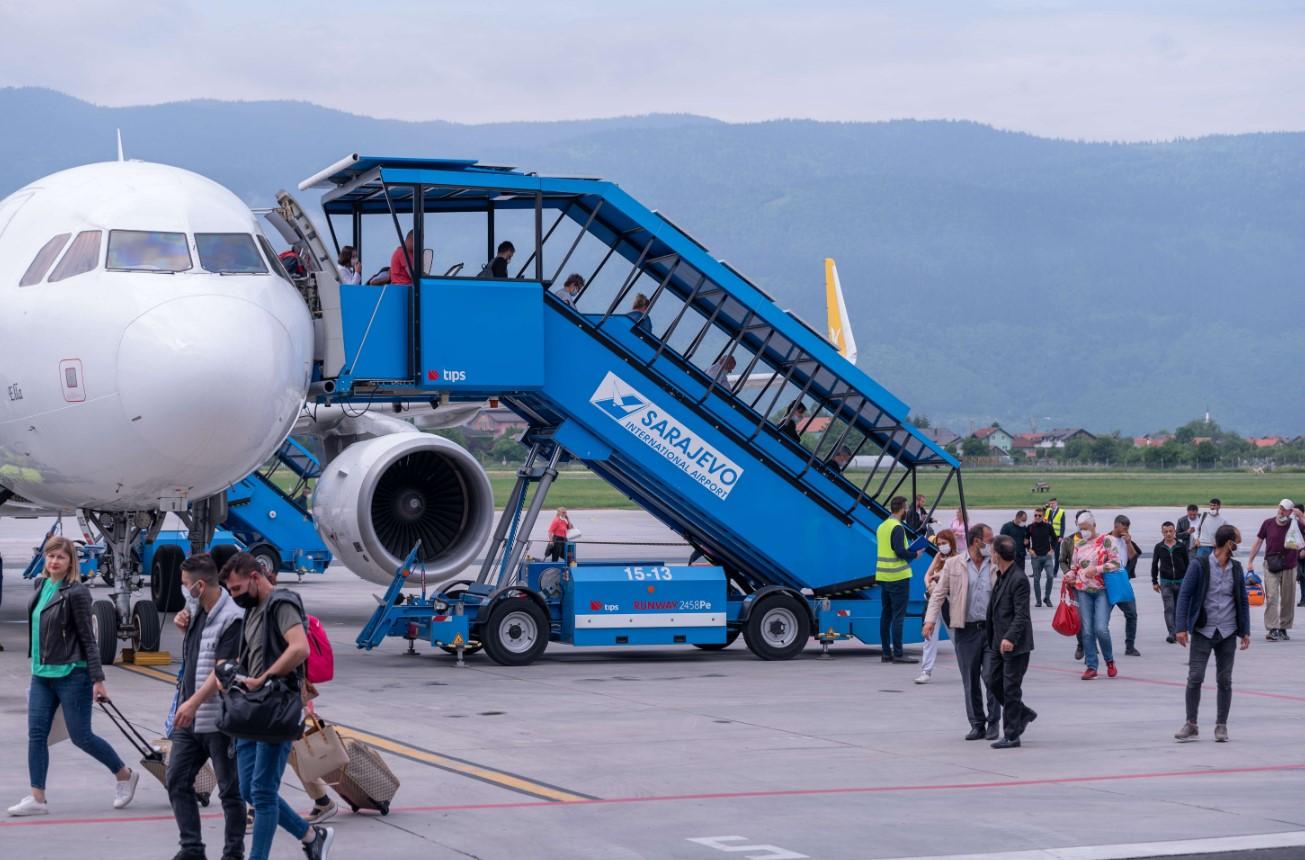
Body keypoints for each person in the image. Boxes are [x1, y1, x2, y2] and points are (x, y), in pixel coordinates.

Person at [8, 536, 138, 817]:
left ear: (70, 563)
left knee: (81, 736)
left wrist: (98, 679)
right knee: (37, 736)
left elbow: (88, 640)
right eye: (51, 556)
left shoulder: (77, 593)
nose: (54, 561)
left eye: (61, 558)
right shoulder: (40, 585)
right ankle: (37, 798)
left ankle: (124, 774)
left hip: (71, 674)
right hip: (41, 674)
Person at [220, 552, 334, 860]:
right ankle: (311, 836)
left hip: (276, 708)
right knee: (248, 790)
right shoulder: (252, 609)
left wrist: (266, 677)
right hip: (251, 707)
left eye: (238, 589)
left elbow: (300, 648)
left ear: (255, 578)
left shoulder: (281, 603)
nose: (235, 597)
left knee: (263, 792)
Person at [167, 553, 246, 860]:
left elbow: (224, 670)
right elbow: (200, 652)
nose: (183, 590)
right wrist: (184, 627)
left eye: (186, 585)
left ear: (200, 585)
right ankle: (191, 849)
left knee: (230, 790)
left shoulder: (232, 617)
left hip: (217, 718)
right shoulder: (197, 608)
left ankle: (233, 853)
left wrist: (192, 703)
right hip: (192, 716)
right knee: (176, 780)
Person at [922, 523, 1000, 740]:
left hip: (991, 630)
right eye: (989, 539)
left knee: (991, 677)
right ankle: (977, 723)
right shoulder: (955, 564)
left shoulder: (995, 563)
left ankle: (994, 723)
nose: (991, 543)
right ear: (977, 541)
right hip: (965, 630)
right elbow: (938, 594)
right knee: (970, 678)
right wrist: (929, 621)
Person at [1174, 524, 1250, 743]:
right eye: (1237, 541)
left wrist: (1245, 631)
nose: (1238, 545)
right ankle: (1191, 724)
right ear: (1228, 543)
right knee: (1195, 677)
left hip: (1227, 631)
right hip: (1203, 630)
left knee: (1224, 679)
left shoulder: (1236, 568)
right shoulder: (1200, 565)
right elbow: (1185, 595)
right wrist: (1180, 627)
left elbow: (1242, 600)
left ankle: (1221, 725)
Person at [985, 535, 1036, 749]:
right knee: (991, 679)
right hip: (998, 641)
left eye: (992, 550)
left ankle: (1012, 735)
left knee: (1010, 688)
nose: (990, 553)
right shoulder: (1001, 574)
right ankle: (1022, 713)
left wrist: (1010, 638)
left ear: (997, 554)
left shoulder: (1018, 579)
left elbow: (1021, 615)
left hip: (1014, 645)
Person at [1063, 511, 1122, 680]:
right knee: (1087, 631)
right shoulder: (1079, 544)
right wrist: (1070, 576)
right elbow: (1074, 566)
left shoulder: (1106, 541)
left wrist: (1096, 569)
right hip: (1083, 591)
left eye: (1086, 528)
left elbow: (1116, 563)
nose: (1084, 532)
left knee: (1101, 628)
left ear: (1094, 525)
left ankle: (1109, 661)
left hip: (1102, 590)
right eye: (1081, 529)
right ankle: (1091, 666)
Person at [1245, 499, 1304, 641]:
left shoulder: (1295, 524)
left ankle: (1284, 628)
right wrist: (1250, 560)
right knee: (1272, 596)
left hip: (1289, 565)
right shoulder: (1268, 523)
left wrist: (1301, 517)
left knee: (1288, 598)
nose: (1281, 511)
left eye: (1284, 509)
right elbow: (1258, 541)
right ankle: (1272, 628)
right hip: (1271, 564)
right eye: (1280, 508)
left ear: (1291, 512)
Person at [876, 496, 919, 664]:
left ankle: (886, 653)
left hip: (884, 577)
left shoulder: (882, 526)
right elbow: (900, 551)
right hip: (898, 576)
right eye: (906, 507)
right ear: (902, 508)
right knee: (898, 616)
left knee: (885, 615)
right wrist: (915, 554)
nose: (907, 510)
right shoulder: (897, 527)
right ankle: (899, 654)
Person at [915, 529, 959, 684]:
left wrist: (940, 583)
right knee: (929, 637)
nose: (941, 546)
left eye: (944, 543)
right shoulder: (939, 556)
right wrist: (929, 586)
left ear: (951, 543)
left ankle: (968, 667)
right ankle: (926, 671)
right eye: (939, 544)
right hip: (933, 601)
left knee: (956, 637)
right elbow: (927, 575)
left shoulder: (958, 559)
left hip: (948, 602)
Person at [1152, 521, 1191, 644]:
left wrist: (1189, 580)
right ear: (1162, 533)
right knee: (1169, 608)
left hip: (1181, 582)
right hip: (1166, 583)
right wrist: (1154, 581)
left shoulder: (1180, 546)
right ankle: (1172, 633)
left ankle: (1181, 631)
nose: (1168, 534)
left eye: (1170, 531)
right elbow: (1154, 564)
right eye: (1165, 532)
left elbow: (1187, 563)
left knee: (1180, 609)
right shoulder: (1159, 547)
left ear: (1174, 532)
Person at [1110, 514, 1141, 657]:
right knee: (1102, 617)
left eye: (1128, 528)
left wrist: (1128, 543)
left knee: (1132, 614)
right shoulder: (1106, 540)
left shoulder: (1126, 541)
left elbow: (1133, 557)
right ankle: (1094, 644)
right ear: (1116, 525)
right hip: (1109, 582)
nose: (1126, 531)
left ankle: (1130, 646)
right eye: (1124, 527)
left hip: (1122, 581)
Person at [1027, 508, 1058, 607]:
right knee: (1036, 579)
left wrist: (1052, 549)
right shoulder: (1030, 527)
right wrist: (1029, 549)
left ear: (1043, 516)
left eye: (1039, 515)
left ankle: (1047, 598)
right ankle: (1038, 600)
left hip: (1047, 556)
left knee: (1050, 576)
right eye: (1035, 515)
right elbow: (1025, 540)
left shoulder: (1048, 527)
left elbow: (1055, 539)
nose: (1037, 517)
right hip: (1035, 557)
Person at [999, 511, 1030, 576]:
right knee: (1009, 575)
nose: (1024, 522)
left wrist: (1026, 543)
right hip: (1010, 557)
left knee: (1021, 575)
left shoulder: (1024, 528)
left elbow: (1026, 540)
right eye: (1023, 520)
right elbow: (1000, 541)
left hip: (1021, 557)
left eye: (1025, 520)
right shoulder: (1006, 527)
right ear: (1017, 518)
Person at [1044, 498, 1066, 572]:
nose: (1051, 505)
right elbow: (1044, 518)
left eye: (1053, 503)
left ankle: (1055, 571)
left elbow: (1063, 525)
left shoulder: (1061, 512)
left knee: (1056, 554)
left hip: (1057, 536)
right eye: (1050, 504)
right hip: (1048, 535)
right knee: (1044, 552)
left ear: (1056, 503)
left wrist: (1061, 536)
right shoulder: (1048, 510)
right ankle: (1039, 570)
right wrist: (1045, 507)